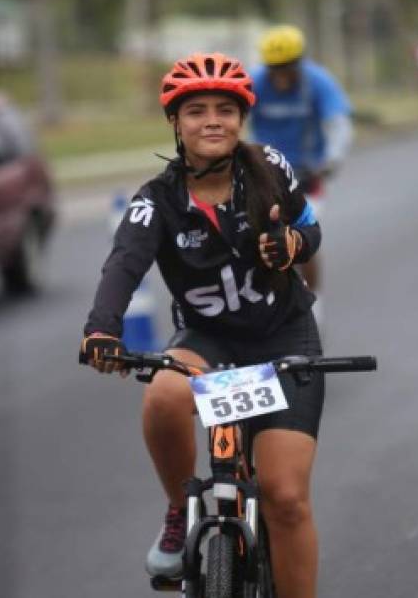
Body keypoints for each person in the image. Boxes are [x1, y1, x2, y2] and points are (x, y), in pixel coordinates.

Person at [79, 52, 324, 598]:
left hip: (284, 336)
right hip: (208, 341)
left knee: (285, 499)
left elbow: (311, 230)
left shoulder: (271, 169)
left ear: (242, 118)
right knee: (164, 394)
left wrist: (292, 246)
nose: (212, 120)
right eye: (196, 111)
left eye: (225, 109)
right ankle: (178, 506)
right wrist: (102, 331)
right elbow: (123, 265)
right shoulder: (155, 202)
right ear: (176, 122)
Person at [250, 25, 353, 329]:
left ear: (300, 62)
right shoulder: (255, 83)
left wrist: (332, 160)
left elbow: (339, 123)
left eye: (287, 68)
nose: (281, 76)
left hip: (307, 174)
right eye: (275, 69)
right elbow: (236, 117)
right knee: (259, 238)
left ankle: (313, 302)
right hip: (264, 172)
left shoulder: (318, 82)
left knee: (301, 236)